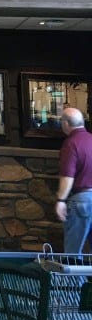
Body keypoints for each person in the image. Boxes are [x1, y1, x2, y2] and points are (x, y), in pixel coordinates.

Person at [55, 107, 92, 253]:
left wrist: (61, 200)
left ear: (65, 123)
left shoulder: (71, 143)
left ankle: (72, 271)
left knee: (72, 253)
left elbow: (67, 177)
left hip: (81, 201)